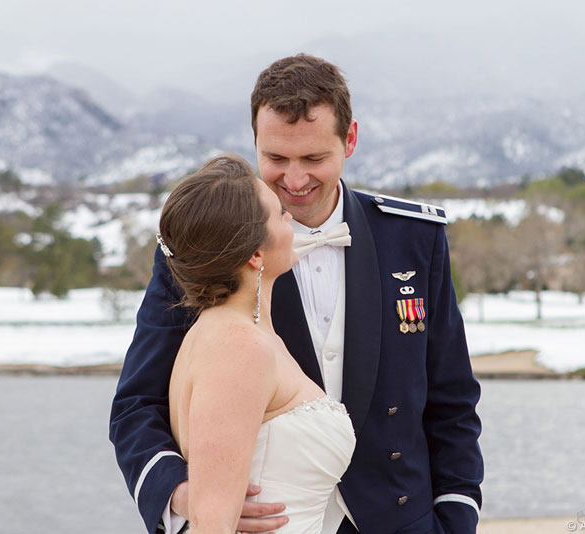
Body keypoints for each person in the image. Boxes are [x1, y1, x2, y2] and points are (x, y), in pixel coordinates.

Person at [110, 53, 483, 534]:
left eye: (313, 158)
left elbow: (451, 399)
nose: (295, 179)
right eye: (276, 159)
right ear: (256, 143)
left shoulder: (414, 238)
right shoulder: (204, 245)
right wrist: (187, 495)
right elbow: (138, 402)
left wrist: (456, 519)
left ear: (349, 140)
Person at [152, 154, 355, 534]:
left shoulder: (230, 331)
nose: (291, 218)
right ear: (255, 255)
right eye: (279, 214)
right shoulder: (238, 347)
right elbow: (212, 524)